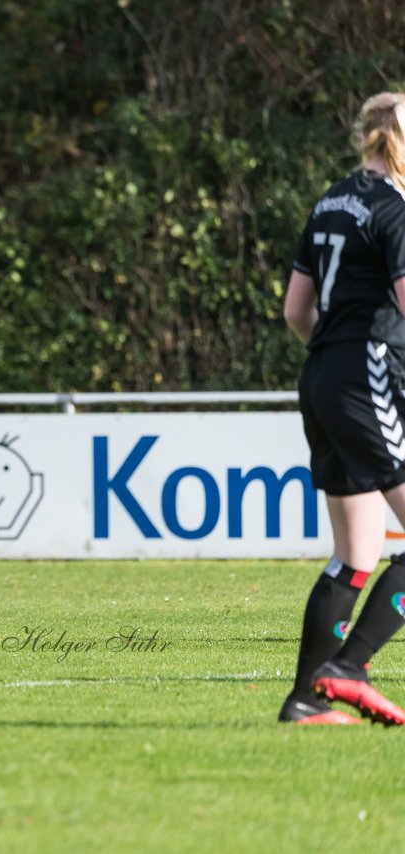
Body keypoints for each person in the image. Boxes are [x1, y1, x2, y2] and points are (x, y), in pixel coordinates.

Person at [280, 92, 405, 725]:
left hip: (322, 374)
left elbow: (295, 312)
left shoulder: (329, 200)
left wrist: (335, 361)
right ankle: (348, 668)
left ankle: (306, 701)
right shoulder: (396, 210)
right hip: (368, 372)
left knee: (355, 553)